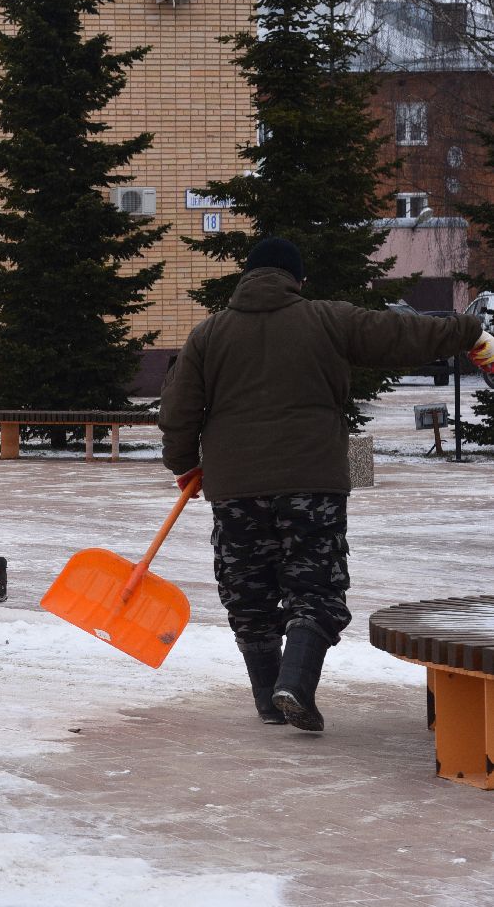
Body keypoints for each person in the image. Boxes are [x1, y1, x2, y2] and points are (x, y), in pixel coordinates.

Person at [159, 236, 494, 732]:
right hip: (311, 481)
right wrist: (467, 330)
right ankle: (294, 685)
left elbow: (178, 410)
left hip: (235, 488)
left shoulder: (209, 334)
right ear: (298, 280)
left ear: (245, 278)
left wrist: (184, 463)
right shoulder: (327, 318)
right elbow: (401, 333)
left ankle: (270, 699)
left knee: (248, 591)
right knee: (313, 587)